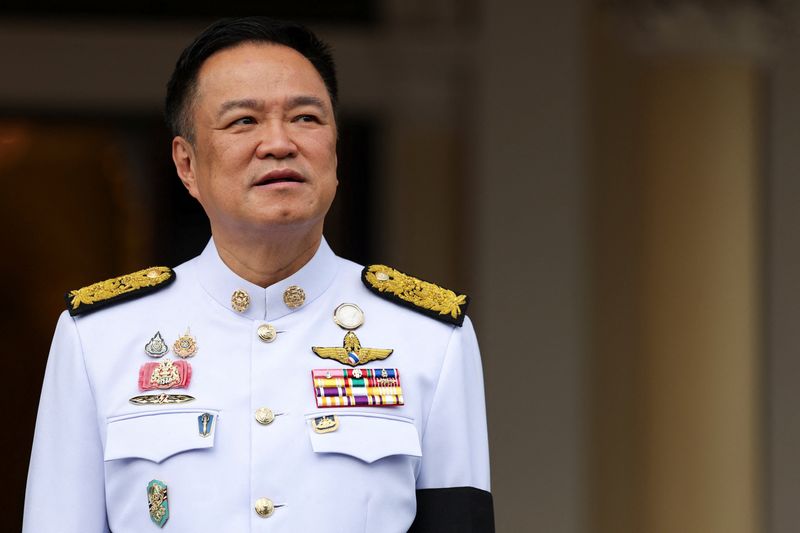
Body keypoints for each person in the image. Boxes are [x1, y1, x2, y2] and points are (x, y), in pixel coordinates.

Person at [23, 16, 493, 532]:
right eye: (244, 120)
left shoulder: (429, 338)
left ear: (335, 151)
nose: (279, 143)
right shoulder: (99, 337)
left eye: (307, 118)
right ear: (186, 165)